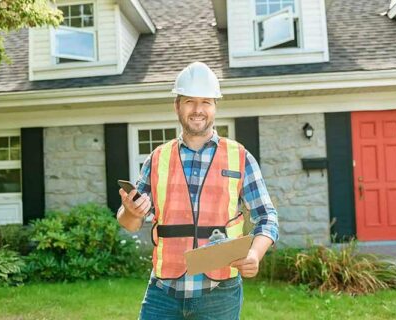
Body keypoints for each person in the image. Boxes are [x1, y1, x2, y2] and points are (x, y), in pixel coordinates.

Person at [117, 61, 279, 320]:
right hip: (163, 290)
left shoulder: (240, 156)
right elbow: (130, 223)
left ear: (215, 107)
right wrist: (131, 211)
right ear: (177, 106)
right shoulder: (158, 158)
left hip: (220, 292)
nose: (198, 110)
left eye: (206, 102)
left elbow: (267, 217)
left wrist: (254, 254)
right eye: (190, 101)